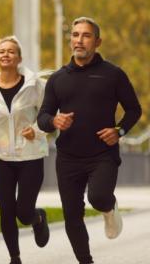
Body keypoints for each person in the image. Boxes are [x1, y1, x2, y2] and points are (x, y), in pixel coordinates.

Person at [37, 17, 142, 264]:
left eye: (85, 35)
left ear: (97, 41)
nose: (79, 40)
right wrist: (54, 122)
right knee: (72, 216)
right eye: (75, 35)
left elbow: (134, 109)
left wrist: (120, 130)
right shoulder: (57, 79)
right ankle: (86, 261)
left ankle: (109, 207)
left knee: (98, 197)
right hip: (68, 157)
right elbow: (42, 116)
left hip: (102, 154)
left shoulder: (113, 74)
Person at [0, 36, 50, 264]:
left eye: (11, 51)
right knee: (6, 209)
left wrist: (36, 130)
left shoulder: (34, 85)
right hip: (1, 156)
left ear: (19, 58)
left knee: (23, 212)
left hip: (30, 154)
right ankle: (15, 258)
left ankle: (37, 218)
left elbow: (48, 114)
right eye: (2, 51)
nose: (6, 55)